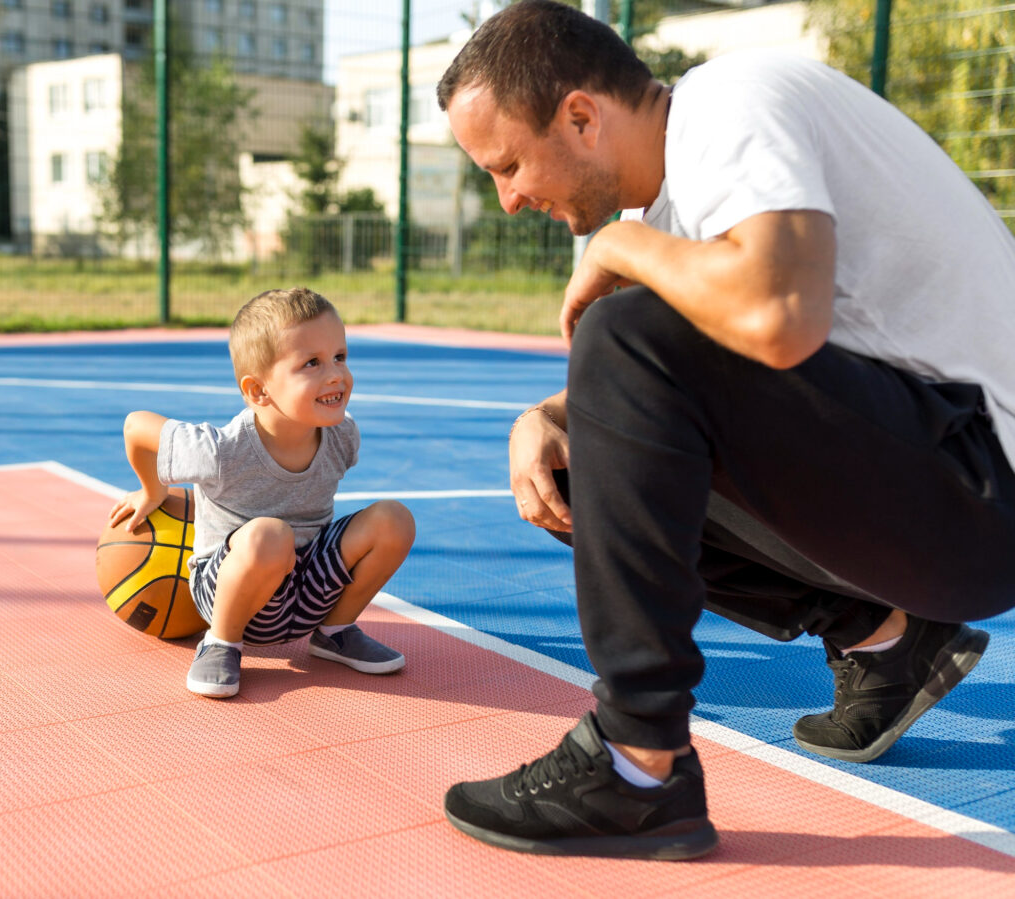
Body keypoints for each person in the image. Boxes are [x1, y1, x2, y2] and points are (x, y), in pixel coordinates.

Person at [435, 0, 1015, 861]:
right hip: (937, 495)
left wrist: (619, 257)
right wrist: (544, 418)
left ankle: (637, 763)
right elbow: (642, 402)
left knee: (620, 335)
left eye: (509, 164)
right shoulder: (663, 214)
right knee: (579, 464)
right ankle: (885, 636)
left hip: (986, 487)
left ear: (582, 116)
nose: (509, 199)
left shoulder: (730, 103)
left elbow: (777, 311)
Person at [109, 287, 415, 698]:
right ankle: (220, 643)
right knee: (271, 535)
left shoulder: (342, 436)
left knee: (394, 519)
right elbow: (135, 425)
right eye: (312, 363)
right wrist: (153, 489)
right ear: (258, 391)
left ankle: (335, 632)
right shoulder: (221, 451)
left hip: (308, 590)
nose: (336, 375)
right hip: (234, 594)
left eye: (340, 356)